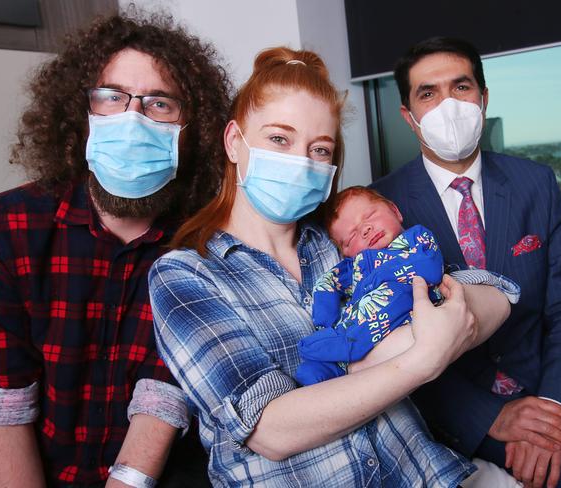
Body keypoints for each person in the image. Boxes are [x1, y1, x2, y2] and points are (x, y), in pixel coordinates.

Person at [149, 46, 511, 487]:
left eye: (319, 149)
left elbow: (494, 292)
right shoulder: (184, 275)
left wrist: (443, 318)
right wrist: (423, 357)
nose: (301, 162)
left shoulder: (342, 244)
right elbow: (271, 430)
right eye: (279, 139)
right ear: (233, 142)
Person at [0, 14, 231, 487]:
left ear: (193, 128)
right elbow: (4, 399)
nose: (133, 119)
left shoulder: (204, 240)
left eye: (159, 103)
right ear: (79, 112)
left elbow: (162, 397)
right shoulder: (5, 228)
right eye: (111, 96)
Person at [371, 36, 561, 488]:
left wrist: (556, 406)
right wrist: (491, 418)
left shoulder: (536, 183)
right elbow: (387, 349)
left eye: (462, 87)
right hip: (468, 409)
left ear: (483, 97)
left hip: (555, 384)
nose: (448, 105)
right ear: (408, 118)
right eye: (428, 94)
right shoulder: (381, 208)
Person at [296, 186, 519, 386]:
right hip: (363, 319)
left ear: (395, 211)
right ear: (345, 252)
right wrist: (324, 324)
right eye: (351, 237)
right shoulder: (353, 265)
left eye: (370, 216)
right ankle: (332, 362)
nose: (365, 230)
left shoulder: (416, 239)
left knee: (393, 297)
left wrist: (378, 274)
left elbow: (429, 269)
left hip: (410, 306)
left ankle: (348, 347)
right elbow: (327, 285)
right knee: (320, 358)